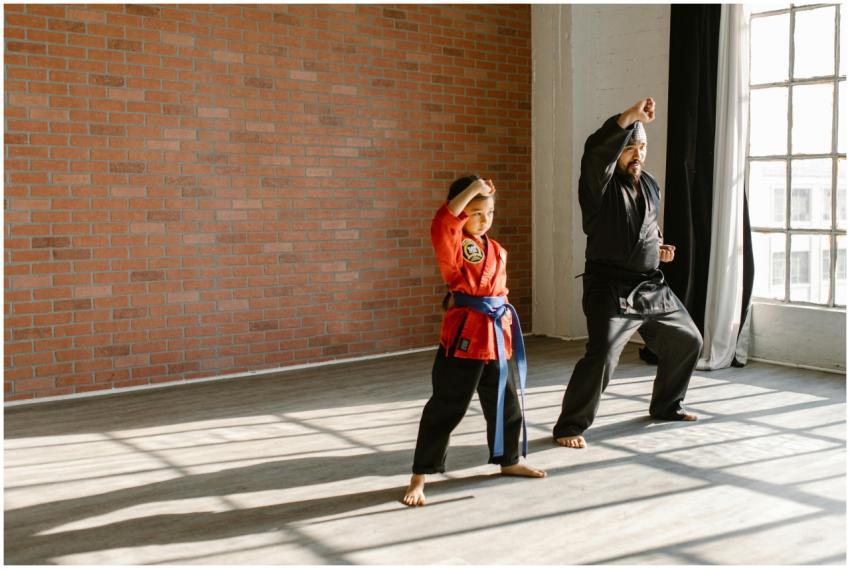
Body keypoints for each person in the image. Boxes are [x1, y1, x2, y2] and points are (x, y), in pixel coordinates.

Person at [552, 97, 703, 449]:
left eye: (643, 147)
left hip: (650, 285)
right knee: (602, 353)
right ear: (616, 150)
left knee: (689, 340)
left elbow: (647, 226)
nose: (638, 154)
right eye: (630, 148)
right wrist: (629, 118)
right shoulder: (599, 187)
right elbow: (594, 153)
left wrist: (657, 248)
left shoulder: (650, 184)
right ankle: (570, 426)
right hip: (610, 286)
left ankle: (667, 405)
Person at [403, 175, 546, 507]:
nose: (484, 221)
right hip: (466, 336)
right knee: (446, 407)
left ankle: (509, 460)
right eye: (475, 213)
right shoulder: (452, 245)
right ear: (462, 213)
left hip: (496, 336)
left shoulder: (494, 249)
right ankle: (419, 475)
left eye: (489, 212)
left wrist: (505, 321)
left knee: (505, 404)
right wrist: (473, 190)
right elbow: (444, 220)